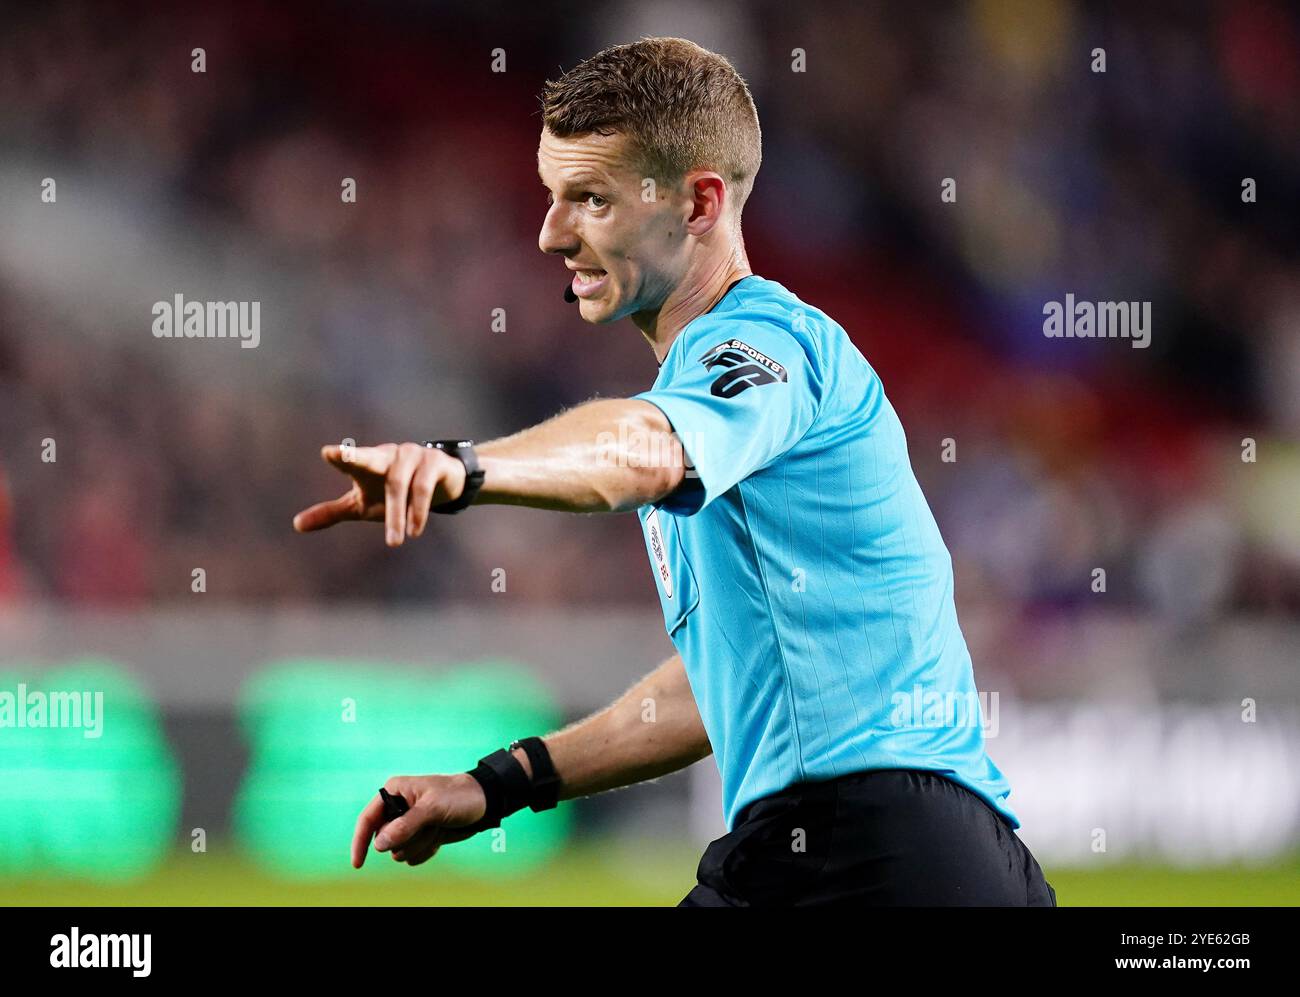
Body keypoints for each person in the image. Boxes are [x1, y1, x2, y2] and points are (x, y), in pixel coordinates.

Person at [293, 36, 1056, 907]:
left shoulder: (764, 345)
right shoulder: (719, 398)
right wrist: (498, 783)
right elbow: (712, 691)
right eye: (552, 196)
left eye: (591, 199)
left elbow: (644, 449)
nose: (550, 234)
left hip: (865, 850)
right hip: (929, 860)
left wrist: (463, 468)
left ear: (698, 204)